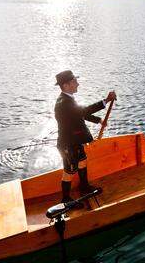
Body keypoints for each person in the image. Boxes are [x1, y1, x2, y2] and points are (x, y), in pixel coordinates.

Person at [54, 70, 116, 204]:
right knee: (69, 172)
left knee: (82, 161)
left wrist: (99, 120)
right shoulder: (64, 102)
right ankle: (65, 199)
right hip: (68, 144)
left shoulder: (68, 100)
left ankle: (84, 186)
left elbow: (79, 114)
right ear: (66, 85)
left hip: (75, 141)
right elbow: (83, 111)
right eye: (74, 82)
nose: (78, 84)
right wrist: (105, 101)